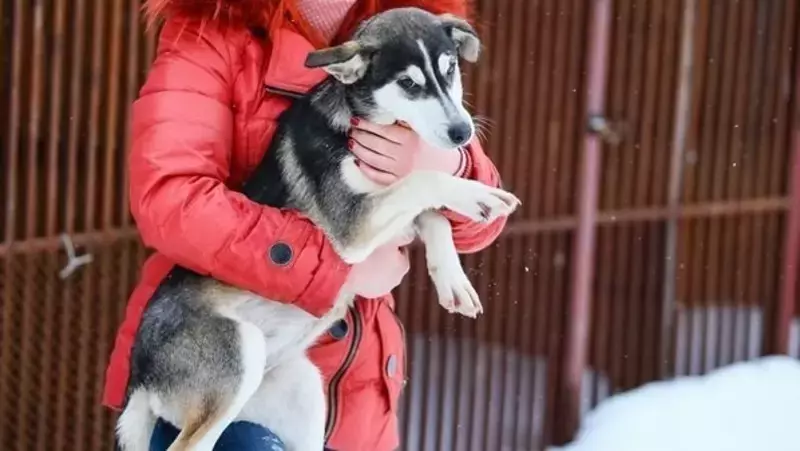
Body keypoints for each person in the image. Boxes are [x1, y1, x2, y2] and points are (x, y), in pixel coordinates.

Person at [104, 0, 509, 450]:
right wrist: (332, 267)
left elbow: (481, 227)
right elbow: (171, 200)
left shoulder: (415, 23)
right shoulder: (212, 30)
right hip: (212, 340)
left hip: (352, 387)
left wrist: (451, 165)